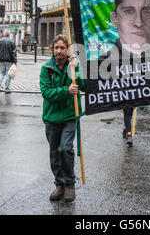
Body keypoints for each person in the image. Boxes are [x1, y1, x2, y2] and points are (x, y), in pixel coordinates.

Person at [106, 0, 150, 144]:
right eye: (129, 11)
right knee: (128, 106)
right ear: (115, 19)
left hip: (141, 88)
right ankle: (128, 128)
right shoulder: (114, 51)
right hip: (126, 88)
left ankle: (128, 128)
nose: (138, 22)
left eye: (146, 12)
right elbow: (92, 69)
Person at [40, 34, 85, 203]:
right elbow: (46, 93)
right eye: (56, 48)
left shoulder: (73, 66)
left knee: (65, 149)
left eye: (62, 48)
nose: (59, 51)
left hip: (69, 115)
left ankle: (70, 185)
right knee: (54, 153)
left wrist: (78, 69)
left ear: (68, 50)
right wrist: (67, 90)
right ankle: (59, 184)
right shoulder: (46, 69)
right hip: (51, 117)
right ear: (53, 50)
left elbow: (85, 87)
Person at [0, 29, 17, 94]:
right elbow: (14, 52)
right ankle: (7, 89)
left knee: (1, 73)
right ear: (9, 34)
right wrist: (15, 61)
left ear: (3, 34)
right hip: (9, 61)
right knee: (8, 75)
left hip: (1, 60)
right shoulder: (11, 41)